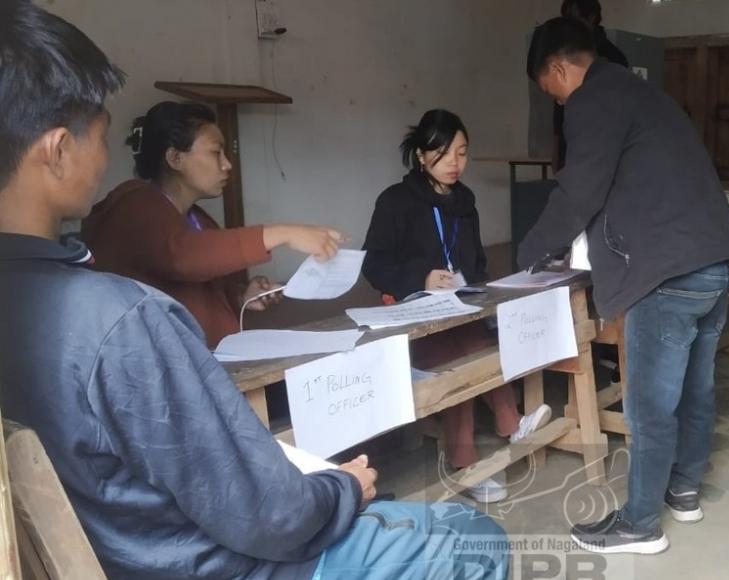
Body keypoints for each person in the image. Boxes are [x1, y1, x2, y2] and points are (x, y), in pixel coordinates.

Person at [0, 2, 508, 578]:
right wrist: (340, 488)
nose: (227, 164)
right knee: (470, 536)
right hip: (223, 560)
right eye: (98, 135)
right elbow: (268, 515)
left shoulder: (80, 289)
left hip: (138, 542)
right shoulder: (124, 290)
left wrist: (247, 290)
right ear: (58, 149)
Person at [522, 18, 729, 555]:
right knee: (696, 390)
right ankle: (684, 492)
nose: (552, 99)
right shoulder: (643, 93)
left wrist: (528, 255)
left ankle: (640, 524)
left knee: (649, 405)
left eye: (546, 88)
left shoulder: (592, 100)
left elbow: (580, 190)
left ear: (557, 68)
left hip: (668, 273)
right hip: (716, 261)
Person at [362, 109, 552, 504]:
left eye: (462, 153)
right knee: (459, 352)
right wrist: (421, 278)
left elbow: (477, 261)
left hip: (457, 310)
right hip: (412, 318)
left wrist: (470, 285)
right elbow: (374, 262)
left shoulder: (465, 202)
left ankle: (492, 442)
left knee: (475, 340)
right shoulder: (395, 202)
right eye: (443, 153)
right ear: (420, 155)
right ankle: (483, 448)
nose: (454, 163)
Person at [82, 101, 346, 348]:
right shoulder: (134, 204)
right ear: (175, 158)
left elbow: (194, 286)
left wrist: (242, 297)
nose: (227, 164)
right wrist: (284, 234)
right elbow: (182, 257)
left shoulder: (199, 220)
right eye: (215, 152)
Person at [553, 0, 628, 171]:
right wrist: (557, 144)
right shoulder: (566, 53)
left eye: (574, 18)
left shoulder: (612, 57)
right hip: (571, 139)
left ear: (592, 18)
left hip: (601, 142)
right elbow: (559, 108)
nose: (569, 26)